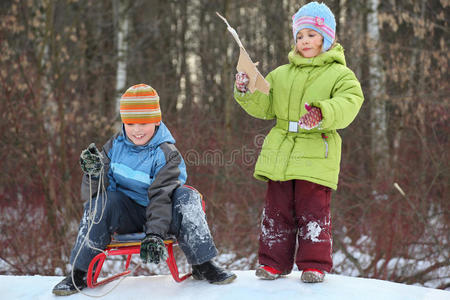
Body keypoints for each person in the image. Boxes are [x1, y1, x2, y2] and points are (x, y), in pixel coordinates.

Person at [52, 84, 236, 296]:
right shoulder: (114, 146)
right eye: (130, 123)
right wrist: (93, 174)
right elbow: (94, 197)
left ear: (156, 120)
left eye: (143, 122)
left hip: (163, 215)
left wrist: (155, 234)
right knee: (100, 204)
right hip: (128, 214)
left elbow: (162, 196)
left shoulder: (166, 153)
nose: (136, 130)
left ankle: (203, 264)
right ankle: (79, 272)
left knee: (187, 196)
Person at [234, 2, 364, 283]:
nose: (304, 41)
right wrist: (246, 89)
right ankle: (272, 263)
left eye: (312, 35)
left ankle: (314, 264)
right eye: (300, 35)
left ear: (327, 39)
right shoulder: (281, 74)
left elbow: (350, 102)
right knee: (276, 209)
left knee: (313, 211)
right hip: (281, 151)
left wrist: (322, 112)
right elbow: (265, 106)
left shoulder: (340, 75)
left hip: (317, 150)